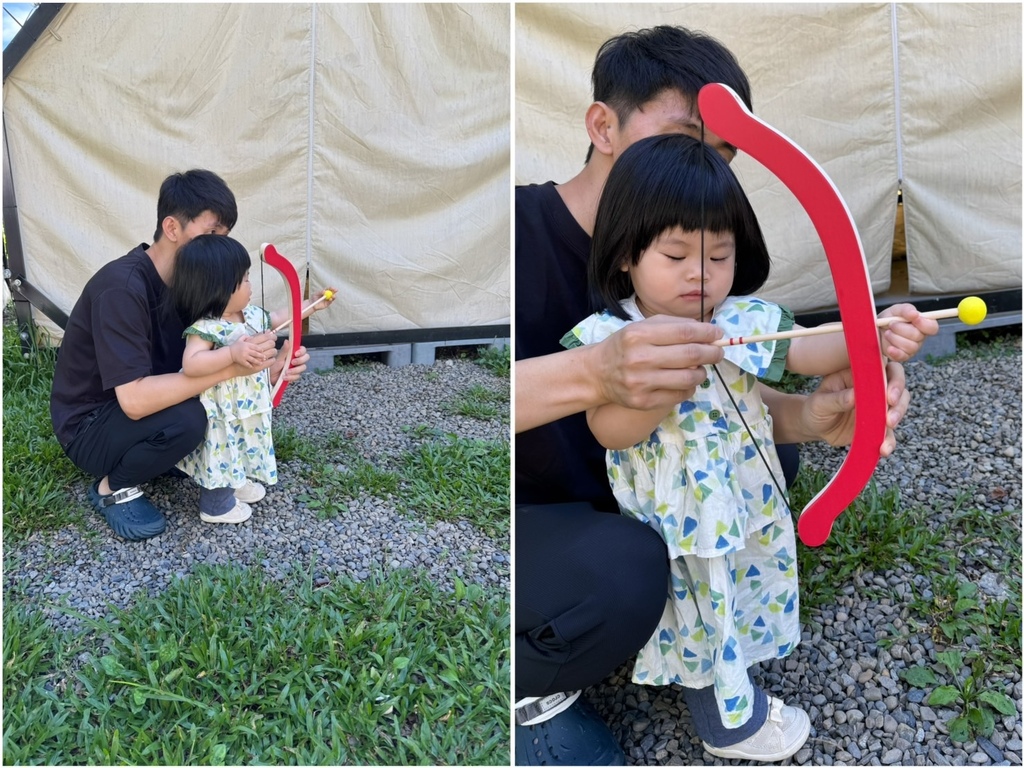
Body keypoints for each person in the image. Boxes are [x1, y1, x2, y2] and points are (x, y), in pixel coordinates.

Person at [515, 25, 915, 765]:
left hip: (674, 488)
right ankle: (541, 683)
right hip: (541, 515)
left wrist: (863, 347)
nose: (697, 268)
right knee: (636, 570)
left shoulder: (714, 299)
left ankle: (707, 652)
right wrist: (602, 375)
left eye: (723, 154)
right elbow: (593, 425)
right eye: (682, 137)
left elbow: (784, 357)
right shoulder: (517, 239)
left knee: (764, 465)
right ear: (602, 126)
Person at [50, 170, 310, 541]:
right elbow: (135, 402)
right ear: (172, 228)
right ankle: (112, 488)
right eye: (211, 232)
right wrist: (233, 367)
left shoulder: (197, 287)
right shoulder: (122, 288)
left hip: (152, 400)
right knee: (189, 419)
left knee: (204, 409)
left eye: (225, 235)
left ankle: (169, 454)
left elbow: (209, 364)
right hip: (92, 427)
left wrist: (269, 369)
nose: (219, 246)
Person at [169, 234, 336, 524]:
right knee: (223, 449)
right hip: (221, 411)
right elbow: (192, 364)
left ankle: (237, 481)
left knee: (244, 440)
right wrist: (231, 353)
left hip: (247, 405)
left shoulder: (251, 315)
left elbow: (282, 316)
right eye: (244, 279)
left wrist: (310, 304)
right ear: (219, 287)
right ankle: (216, 506)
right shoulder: (206, 328)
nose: (251, 285)